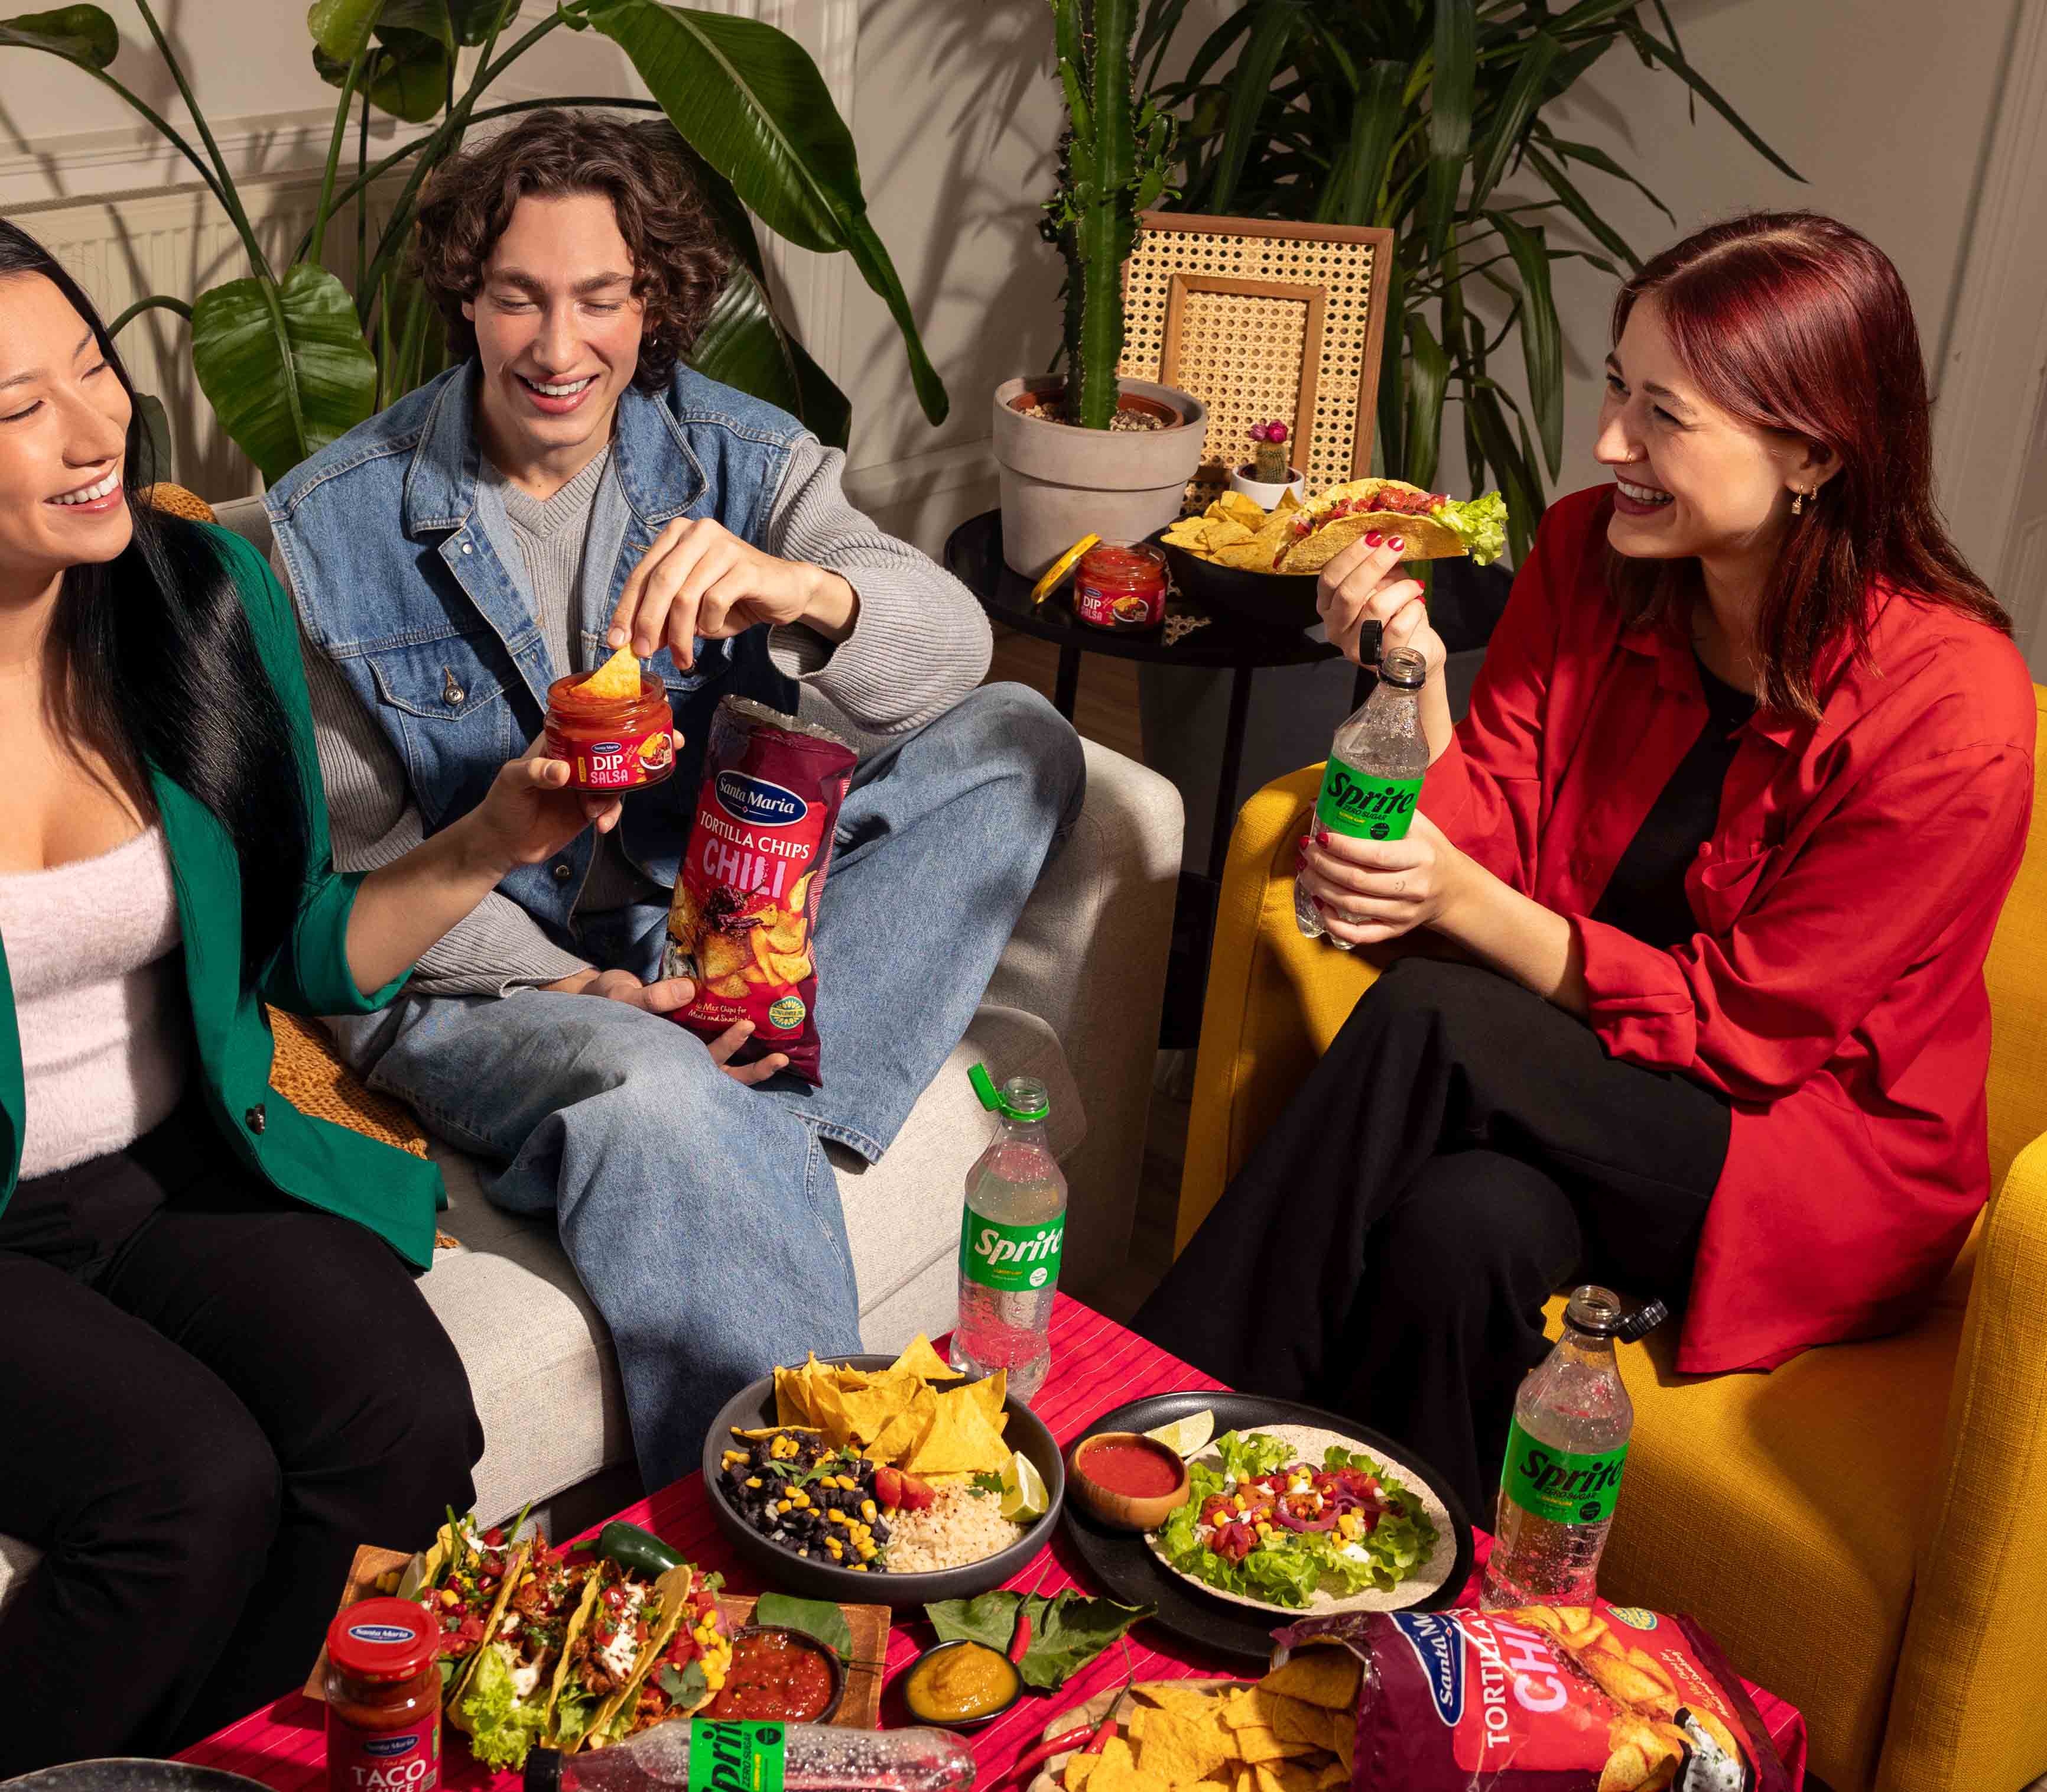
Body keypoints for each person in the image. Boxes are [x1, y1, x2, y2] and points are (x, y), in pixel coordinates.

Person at [1138, 211, 2035, 1520]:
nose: (1610, 441)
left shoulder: (1953, 708)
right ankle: (1380, 1602)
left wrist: (1462, 904)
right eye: (1618, 388)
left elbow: (1749, 1031)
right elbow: (1491, 833)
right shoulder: (1589, 553)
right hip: (1571, 1078)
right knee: (1465, 1233)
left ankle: (1141, 1432)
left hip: (1792, 1152)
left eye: (1663, 415)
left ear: (1813, 452)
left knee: (1437, 1016)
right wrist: (1411, 672)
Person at [268, 109, 1084, 1489]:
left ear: (655, 301)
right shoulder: (332, 528)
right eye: (518, 297)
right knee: (655, 1084)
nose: (558, 345)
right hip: (482, 984)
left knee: (1021, 740)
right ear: (466, 295)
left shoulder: (738, 456)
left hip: (707, 928)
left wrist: (803, 589)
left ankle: (750, 1090)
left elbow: (956, 649)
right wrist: (582, 993)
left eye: (600, 297)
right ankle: (812, 1503)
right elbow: (366, 881)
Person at [0, 220, 641, 1771]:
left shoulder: (193, 601)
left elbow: (296, 949)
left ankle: (209, 1768)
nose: (94, 432)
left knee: (404, 1420)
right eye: (20, 408)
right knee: (186, 1486)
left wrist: (494, 839)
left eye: (94, 368)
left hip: (176, 1161)